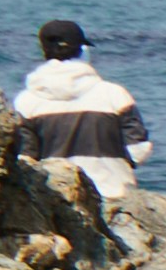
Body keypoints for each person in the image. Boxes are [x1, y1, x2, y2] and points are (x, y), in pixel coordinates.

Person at [9, 23, 154, 199]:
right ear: (82, 51)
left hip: (58, 200)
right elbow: (139, 150)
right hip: (115, 195)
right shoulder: (114, 94)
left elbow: (25, 160)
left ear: (43, 51)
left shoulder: (25, 101)